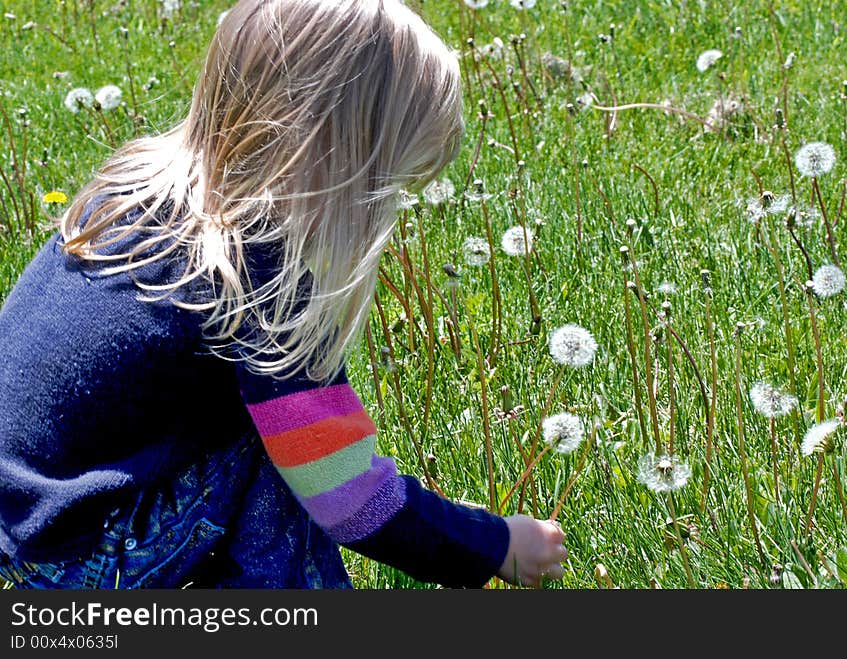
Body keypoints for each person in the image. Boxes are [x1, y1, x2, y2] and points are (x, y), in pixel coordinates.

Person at [0, 0, 567, 590]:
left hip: (20, 523)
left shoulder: (133, 190)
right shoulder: (254, 281)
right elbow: (351, 498)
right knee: (292, 450)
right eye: (389, 188)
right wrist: (492, 544)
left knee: (276, 422)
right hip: (86, 561)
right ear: (340, 170)